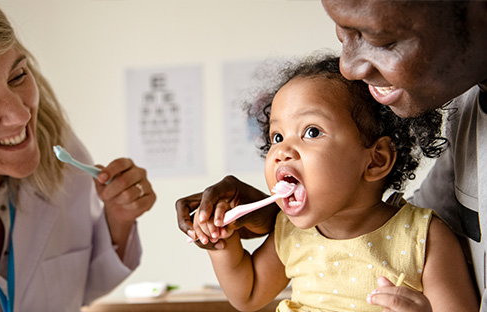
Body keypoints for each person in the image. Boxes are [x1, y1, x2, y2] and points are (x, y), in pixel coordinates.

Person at [176, 0, 487, 309]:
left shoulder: (424, 237)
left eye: (312, 132)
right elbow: (249, 292)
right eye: (277, 136)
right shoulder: (290, 232)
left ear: (376, 159)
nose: (282, 151)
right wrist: (222, 242)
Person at [0, 0, 156, 311]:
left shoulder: (64, 157)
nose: (20, 114)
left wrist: (118, 219)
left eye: (18, 76)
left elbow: (85, 286)